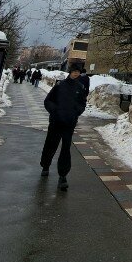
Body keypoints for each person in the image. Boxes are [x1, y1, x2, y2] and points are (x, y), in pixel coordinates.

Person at [41, 62, 88, 190]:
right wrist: (54, 111)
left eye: (78, 71)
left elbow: (82, 103)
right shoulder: (60, 85)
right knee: (51, 144)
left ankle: (63, 176)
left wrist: (76, 112)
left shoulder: (80, 87)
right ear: (70, 71)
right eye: (74, 71)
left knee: (65, 149)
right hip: (56, 121)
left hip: (69, 123)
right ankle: (45, 165)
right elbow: (48, 100)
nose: (76, 73)